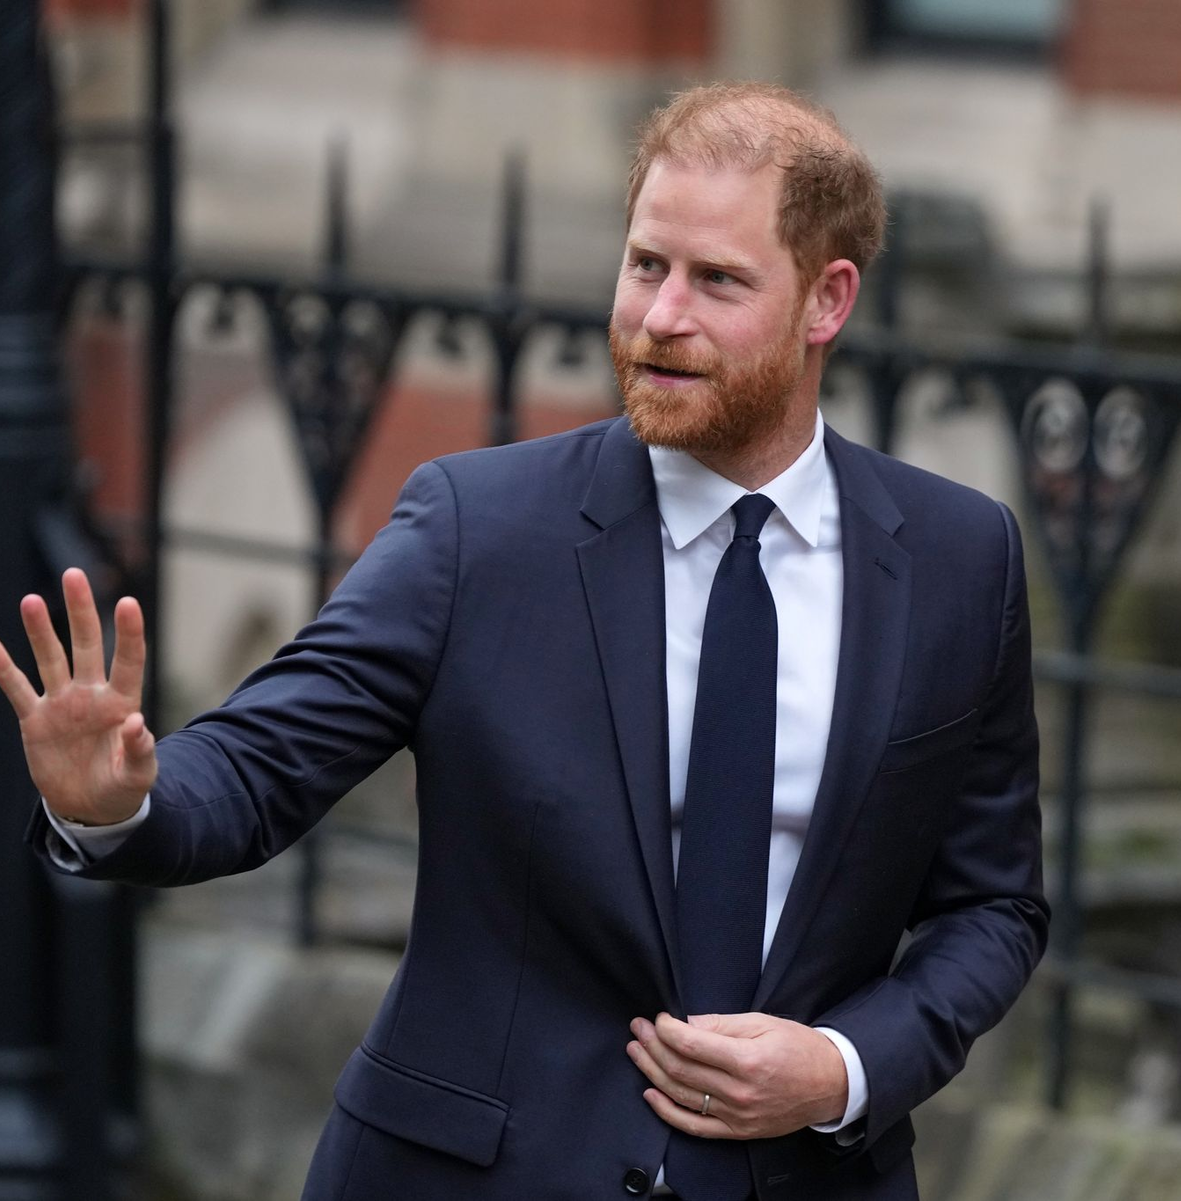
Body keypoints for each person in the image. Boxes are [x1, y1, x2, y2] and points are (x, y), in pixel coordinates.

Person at [0, 83, 1047, 1200]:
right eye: (646, 264)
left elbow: (994, 904)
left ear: (826, 301)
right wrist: (116, 803)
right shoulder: (477, 529)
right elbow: (259, 765)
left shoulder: (957, 559)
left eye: (718, 281)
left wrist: (842, 1067)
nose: (659, 318)